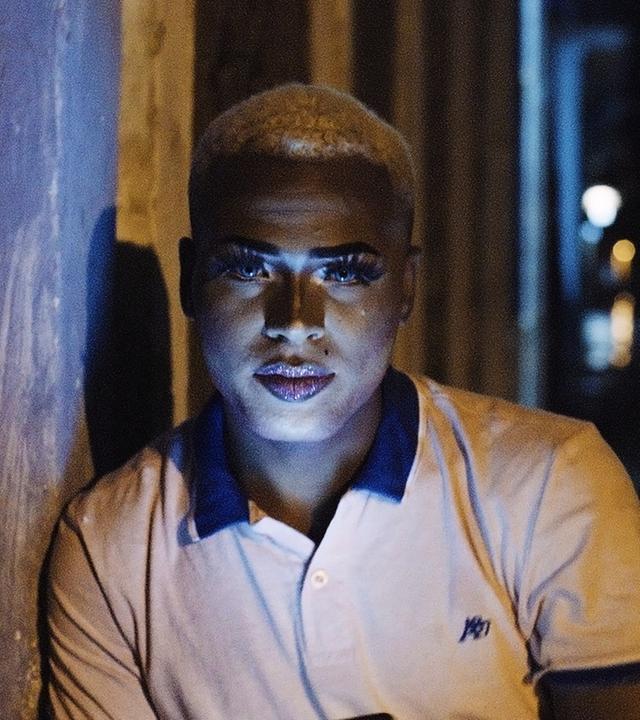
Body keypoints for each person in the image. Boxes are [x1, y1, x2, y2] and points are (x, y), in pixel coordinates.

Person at [46, 84, 640, 720]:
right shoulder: (112, 549)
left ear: (404, 289)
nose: (294, 323)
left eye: (344, 273)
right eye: (248, 269)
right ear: (192, 279)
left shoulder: (548, 485)